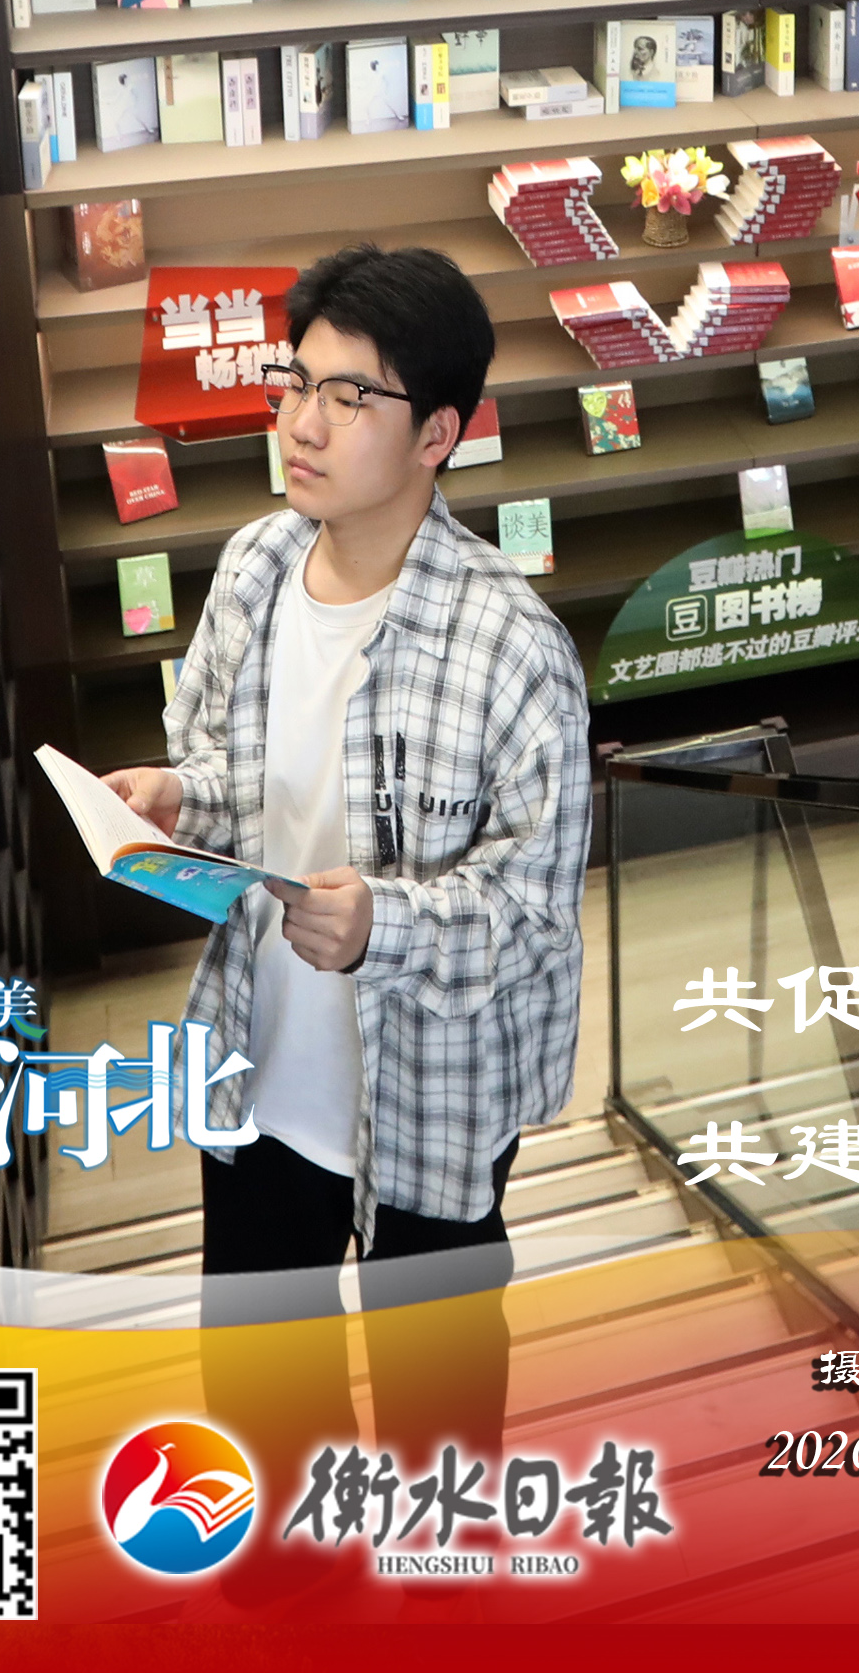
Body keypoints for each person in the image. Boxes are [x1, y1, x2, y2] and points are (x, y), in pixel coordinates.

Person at [105, 243, 591, 1470]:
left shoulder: (511, 648)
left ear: (437, 434)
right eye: (295, 383)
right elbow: (236, 772)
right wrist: (176, 795)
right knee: (260, 1394)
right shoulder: (255, 569)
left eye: (348, 396)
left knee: (437, 1418)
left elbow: (532, 914)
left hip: (428, 1094)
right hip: (259, 1062)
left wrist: (383, 925)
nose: (302, 423)